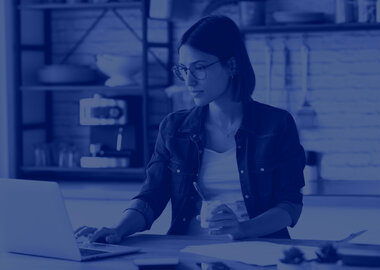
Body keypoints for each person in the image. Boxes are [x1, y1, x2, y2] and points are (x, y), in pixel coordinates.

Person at [75, 15, 305, 243]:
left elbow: (290, 205)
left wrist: (243, 229)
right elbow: (150, 197)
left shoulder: (277, 124)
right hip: (187, 252)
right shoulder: (174, 128)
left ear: (232, 65)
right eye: (184, 69)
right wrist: (118, 229)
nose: (189, 80)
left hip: (259, 253)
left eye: (200, 68)